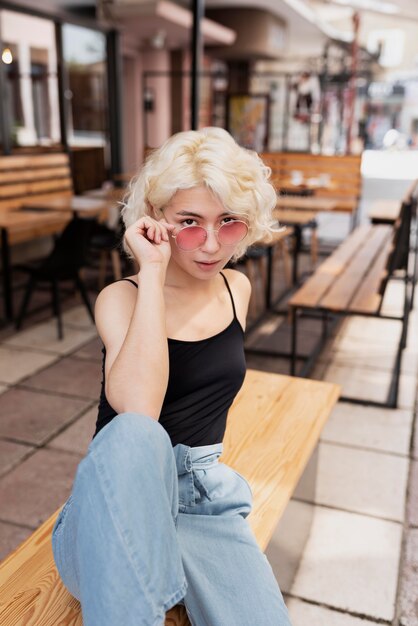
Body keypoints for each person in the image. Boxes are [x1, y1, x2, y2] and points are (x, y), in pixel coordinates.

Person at [52, 127, 292, 626]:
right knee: (136, 432)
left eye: (228, 223)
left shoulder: (236, 288)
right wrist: (154, 274)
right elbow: (138, 407)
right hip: (120, 496)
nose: (209, 245)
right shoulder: (123, 298)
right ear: (156, 219)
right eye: (189, 223)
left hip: (203, 501)